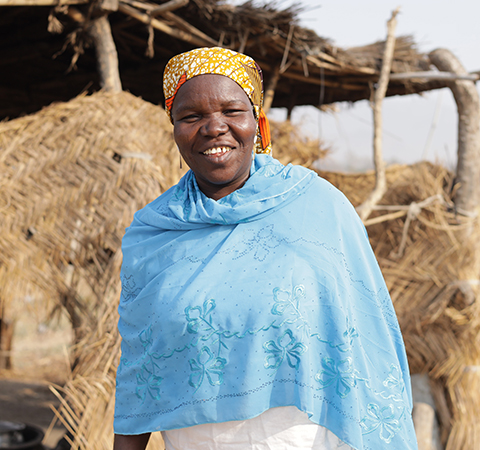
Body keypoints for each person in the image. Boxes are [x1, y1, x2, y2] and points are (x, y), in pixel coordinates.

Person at [113, 47, 418, 450]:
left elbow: (367, 337)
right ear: (174, 127)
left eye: (232, 111)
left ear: (257, 122)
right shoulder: (153, 234)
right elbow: (139, 374)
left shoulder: (318, 208)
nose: (213, 127)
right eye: (192, 116)